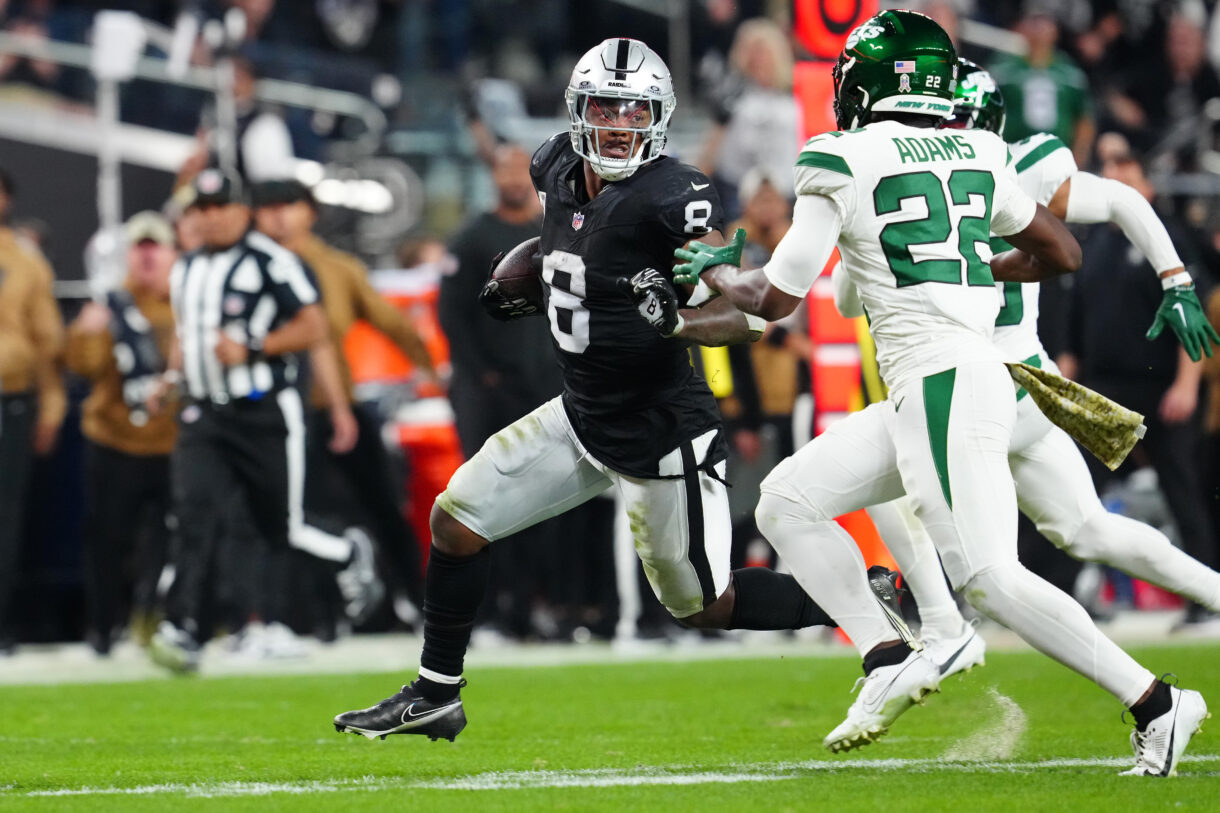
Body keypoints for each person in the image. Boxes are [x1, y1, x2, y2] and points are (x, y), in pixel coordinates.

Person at [673, 11, 1208, 774]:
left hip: (944, 381)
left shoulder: (840, 155)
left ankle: (1155, 701)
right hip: (956, 377)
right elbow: (1062, 249)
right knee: (788, 500)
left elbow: (775, 297)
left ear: (865, 79)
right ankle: (889, 650)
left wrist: (719, 270)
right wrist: (958, 266)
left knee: (992, 578)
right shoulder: (979, 148)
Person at [332, 37, 854, 742]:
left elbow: (749, 320)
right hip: (581, 415)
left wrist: (681, 319)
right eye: (605, 107)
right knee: (455, 520)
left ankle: (861, 596)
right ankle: (436, 692)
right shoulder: (552, 163)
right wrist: (529, 271)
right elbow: (563, 241)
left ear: (658, 119)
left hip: (659, 427)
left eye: (634, 111)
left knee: (703, 603)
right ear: (580, 110)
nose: (617, 124)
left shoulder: (676, 197)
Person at [845, 61, 1220, 678]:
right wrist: (1173, 276)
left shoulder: (978, 168)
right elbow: (1122, 200)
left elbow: (844, 298)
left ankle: (945, 629)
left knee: (879, 475)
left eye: (946, 117)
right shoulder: (1016, 164)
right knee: (1089, 529)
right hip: (1029, 387)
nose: (935, 129)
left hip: (979, 383)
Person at [146, 169, 378, 671]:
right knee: (194, 517)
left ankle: (344, 553)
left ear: (239, 210)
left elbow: (314, 325)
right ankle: (183, 627)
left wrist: (254, 346)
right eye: (199, 209)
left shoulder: (273, 261)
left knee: (279, 523)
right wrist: (170, 379)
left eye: (217, 207)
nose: (207, 218)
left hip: (265, 412)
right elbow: (187, 335)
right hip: (204, 413)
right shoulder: (186, 268)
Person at [252, 179, 434, 623]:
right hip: (270, 409)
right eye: (269, 207)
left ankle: (422, 603)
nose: (279, 216)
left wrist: (428, 369)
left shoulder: (337, 268)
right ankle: (306, 614)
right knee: (292, 515)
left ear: (310, 212)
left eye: (289, 205)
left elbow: (391, 321)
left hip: (334, 405)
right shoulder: (247, 266)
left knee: (383, 505)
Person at [1057, 134, 1220, 632]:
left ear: (1144, 174)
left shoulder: (1168, 233)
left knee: (1183, 492)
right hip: (1104, 391)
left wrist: (1188, 383)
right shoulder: (1095, 240)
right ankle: (1060, 595)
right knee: (1072, 493)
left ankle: (1208, 598)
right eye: (1106, 163)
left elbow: (1193, 310)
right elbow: (1075, 323)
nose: (1114, 171)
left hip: (1159, 386)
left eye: (1124, 161)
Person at [65, 211, 179, 655]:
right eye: (140, 247)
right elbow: (83, 368)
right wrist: (88, 333)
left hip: (172, 442)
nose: (148, 255)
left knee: (173, 541)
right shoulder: (110, 303)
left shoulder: (188, 301)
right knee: (107, 540)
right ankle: (103, 627)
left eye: (156, 246)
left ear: (171, 253)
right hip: (115, 441)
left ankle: (162, 621)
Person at [0, 165, 65, 655]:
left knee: (5, 517)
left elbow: (48, 343)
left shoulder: (25, 263)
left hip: (10, 400)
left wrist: (52, 406)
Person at [989, 3, 1094, 165]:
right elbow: (986, 108)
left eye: (1045, 23)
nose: (1039, 29)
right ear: (1023, 28)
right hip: (1013, 154)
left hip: (1057, 156)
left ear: (1056, 31)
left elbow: (1084, 117)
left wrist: (1079, 153)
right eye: (1034, 23)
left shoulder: (1070, 72)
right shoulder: (1003, 68)